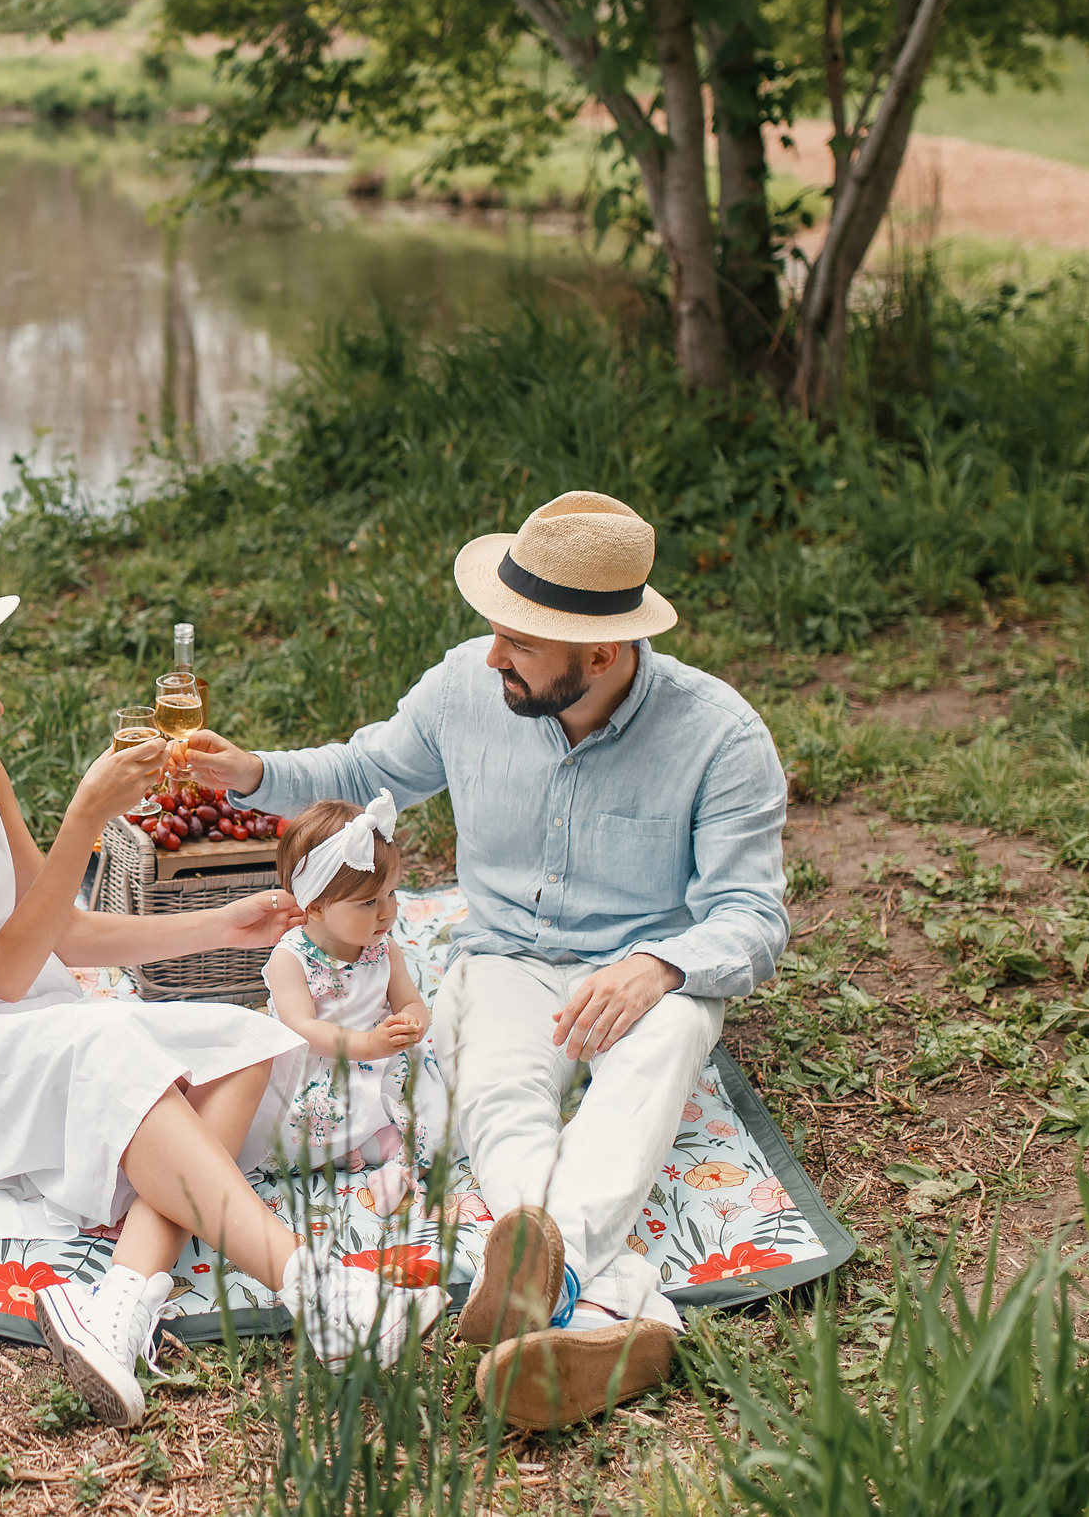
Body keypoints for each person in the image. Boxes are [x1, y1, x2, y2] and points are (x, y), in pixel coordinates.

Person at [0, 563, 444, 1430]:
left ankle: (119, 1303)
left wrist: (219, 925)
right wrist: (84, 818)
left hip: (16, 1023)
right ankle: (322, 1292)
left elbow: (62, 934)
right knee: (113, 1050)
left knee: (247, 1040)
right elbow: (5, 968)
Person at [182, 491, 789, 1429]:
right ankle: (602, 1299)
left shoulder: (721, 737)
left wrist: (662, 966)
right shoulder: (467, 685)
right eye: (497, 631)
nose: (495, 655)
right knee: (500, 1108)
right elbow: (362, 766)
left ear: (603, 652)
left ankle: (565, 1281)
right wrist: (253, 771)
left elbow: (751, 917)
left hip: (645, 967)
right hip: (507, 958)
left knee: (663, 1052)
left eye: (522, 643)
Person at [258, 791, 443, 1216]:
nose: (387, 913)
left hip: (380, 1057)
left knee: (441, 1106)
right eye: (368, 903)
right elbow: (302, 1028)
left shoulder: (383, 949)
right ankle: (365, 1148)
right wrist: (368, 1046)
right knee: (307, 1126)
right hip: (322, 1064)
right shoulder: (291, 959)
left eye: (392, 895)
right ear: (317, 907)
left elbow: (412, 1001)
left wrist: (412, 1022)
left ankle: (385, 1153)